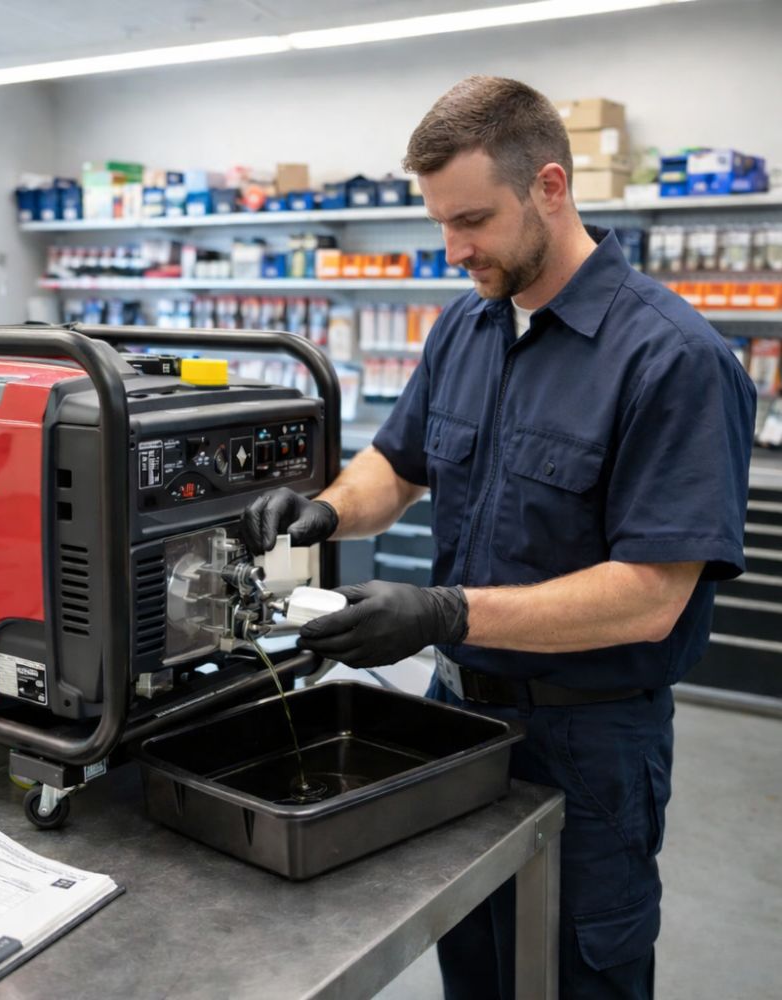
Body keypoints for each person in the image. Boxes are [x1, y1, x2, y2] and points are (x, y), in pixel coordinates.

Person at [240, 75, 756, 1000]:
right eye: (441, 222)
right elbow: (396, 466)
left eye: (472, 220)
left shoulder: (674, 359)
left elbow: (650, 595)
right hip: (459, 722)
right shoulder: (467, 325)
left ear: (550, 188)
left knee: (576, 974)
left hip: (591, 742)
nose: (454, 249)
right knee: (474, 961)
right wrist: (327, 508)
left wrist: (444, 611)